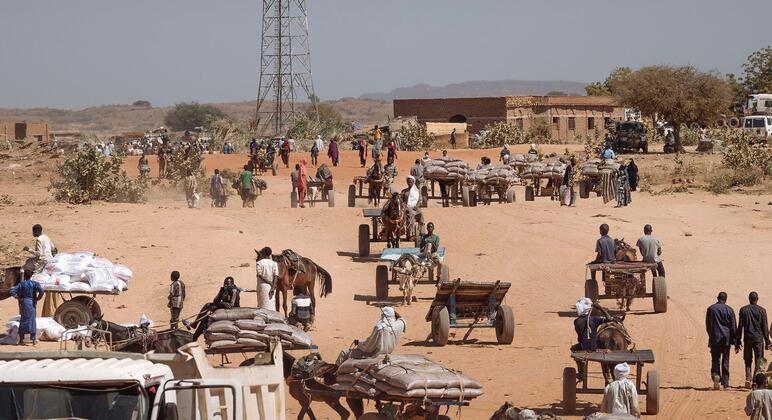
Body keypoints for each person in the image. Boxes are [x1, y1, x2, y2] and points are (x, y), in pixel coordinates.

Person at [336, 306, 406, 365]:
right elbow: (401, 318)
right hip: (387, 353)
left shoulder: (379, 328)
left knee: (344, 353)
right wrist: (392, 310)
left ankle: (333, 374)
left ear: (383, 315)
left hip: (374, 355)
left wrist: (359, 343)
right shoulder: (399, 325)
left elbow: (368, 347)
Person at [23, 224, 60, 317]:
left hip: (42, 261)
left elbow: (38, 254)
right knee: (29, 261)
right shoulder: (47, 237)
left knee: (24, 268)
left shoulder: (39, 239)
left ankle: (25, 288)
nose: (33, 233)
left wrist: (28, 250)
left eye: (33, 231)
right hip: (50, 259)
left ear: (36, 231)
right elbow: (54, 249)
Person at [737, 292, 772, 387]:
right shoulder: (762, 310)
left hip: (748, 338)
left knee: (747, 360)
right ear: (757, 299)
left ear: (749, 299)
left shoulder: (743, 310)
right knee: (759, 360)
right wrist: (767, 342)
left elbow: (740, 326)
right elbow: (765, 328)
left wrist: (738, 340)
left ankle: (748, 377)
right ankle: (756, 381)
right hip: (758, 339)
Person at [570, 298, 612, 377]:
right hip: (594, 348)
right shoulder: (595, 319)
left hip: (582, 348)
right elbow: (609, 319)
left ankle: (581, 371)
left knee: (573, 348)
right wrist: (599, 307)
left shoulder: (576, 321)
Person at [706, 292, 737, 390]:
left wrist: (711, 336)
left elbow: (708, 325)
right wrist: (734, 340)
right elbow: (733, 327)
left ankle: (716, 375)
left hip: (715, 338)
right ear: (726, 299)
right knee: (726, 359)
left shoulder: (711, 309)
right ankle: (726, 382)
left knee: (715, 359)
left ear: (717, 298)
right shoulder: (730, 310)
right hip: (726, 339)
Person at [10, 270, 45, 345]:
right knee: (32, 320)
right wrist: (38, 298)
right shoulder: (35, 283)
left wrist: (18, 298)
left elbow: (12, 290)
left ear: (24, 276)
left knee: (23, 319)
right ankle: (33, 339)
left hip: (24, 303)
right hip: (32, 303)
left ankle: (21, 339)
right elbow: (41, 291)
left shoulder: (21, 284)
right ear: (31, 276)